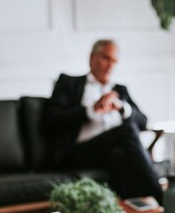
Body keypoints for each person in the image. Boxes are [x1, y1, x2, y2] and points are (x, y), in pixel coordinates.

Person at [45, 39, 163, 202]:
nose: (110, 66)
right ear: (92, 58)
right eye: (106, 58)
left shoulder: (120, 90)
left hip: (111, 151)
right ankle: (161, 196)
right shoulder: (69, 83)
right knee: (127, 130)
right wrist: (91, 110)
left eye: (114, 61)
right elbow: (52, 119)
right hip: (79, 152)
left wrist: (122, 107)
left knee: (118, 155)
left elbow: (143, 122)